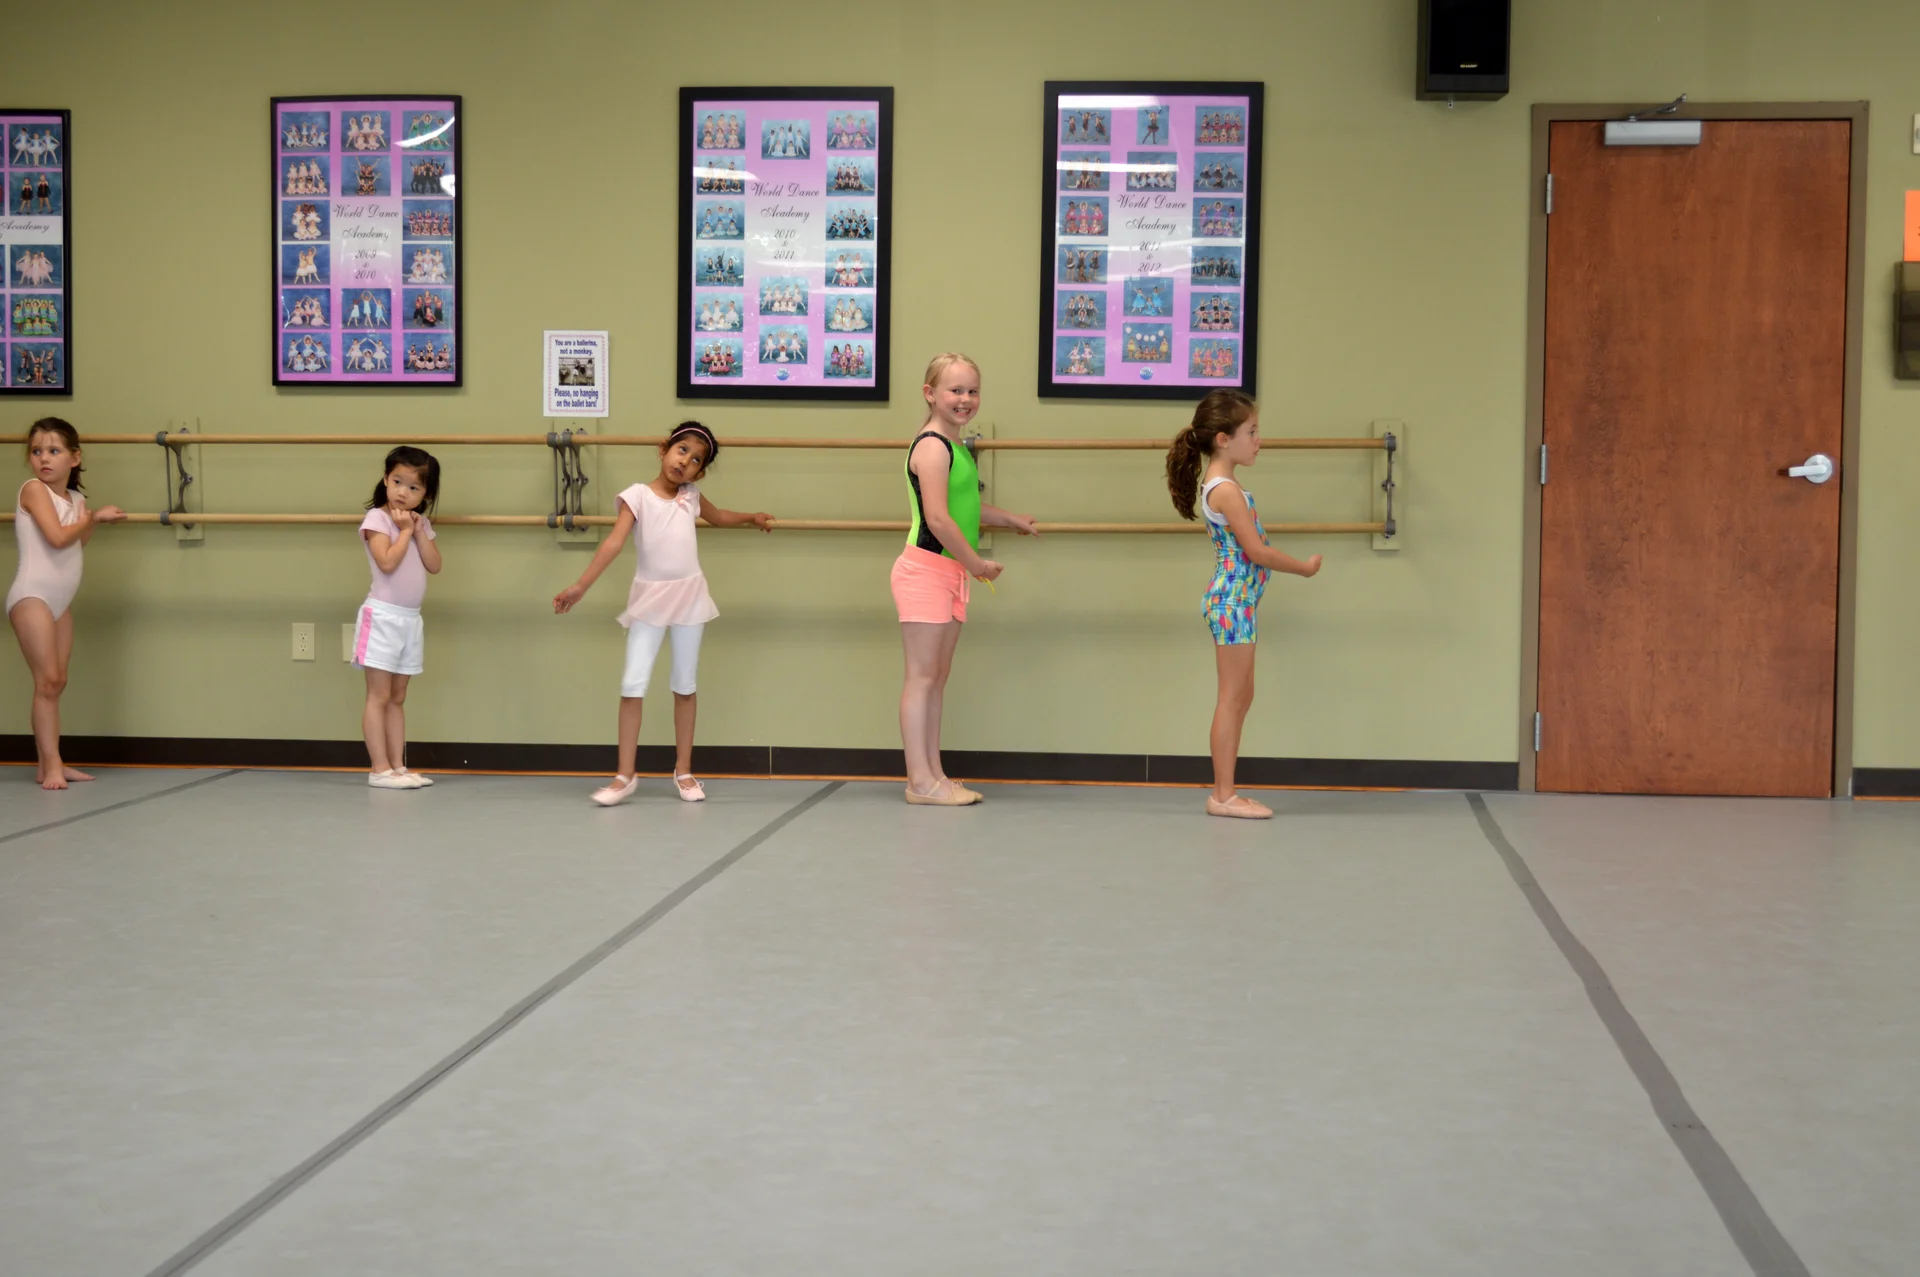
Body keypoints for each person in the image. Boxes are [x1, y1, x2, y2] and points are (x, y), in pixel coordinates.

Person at [552, 422, 773, 807]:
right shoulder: (637, 496)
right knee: (632, 684)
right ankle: (624, 775)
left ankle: (683, 771)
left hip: (689, 596)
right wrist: (581, 586)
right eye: (682, 450)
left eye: (696, 460)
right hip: (650, 599)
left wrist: (751, 517)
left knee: (684, 684)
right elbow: (613, 543)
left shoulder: (691, 496)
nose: (685, 461)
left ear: (698, 473)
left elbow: (719, 517)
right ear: (663, 449)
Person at [1165, 391, 1322, 819]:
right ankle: (1223, 796)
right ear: (1223, 439)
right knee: (1232, 698)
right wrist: (1304, 568)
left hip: (1239, 602)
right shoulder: (1226, 491)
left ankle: (1226, 792)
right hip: (1231, 603)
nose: (1258, 441)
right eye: (1251, 432)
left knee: (1241, 696)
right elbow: (1257, 551)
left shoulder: (1225, 486)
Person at [892, 354, 1039, 806]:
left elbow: (965, 509)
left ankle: (934, 774)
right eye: (955, 390)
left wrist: (1010, 518)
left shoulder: (955, 447)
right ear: (930, 393)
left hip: (947, 573)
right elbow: (937, 519)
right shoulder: (932, 446)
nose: (965, 399)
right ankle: (920, 781)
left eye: (972, 391)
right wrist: (976, 563)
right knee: (922, 677)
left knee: (936, 677)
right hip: (925, 571)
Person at [6, 419, 127, 790]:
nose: (44, 458)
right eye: (37, 451)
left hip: (60, 602)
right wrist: (94, 517)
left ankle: (48, 764)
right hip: (32, 596)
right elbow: (57, 538)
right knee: (47, 682)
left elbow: (76, 543)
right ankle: (53, 766)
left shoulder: (76, 500)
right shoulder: (33, 490)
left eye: (54, 451)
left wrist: (91, 521)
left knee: (57, 683)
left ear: (74, 458)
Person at [353, 446, 443, 789]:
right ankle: (379, 769)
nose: (403, 492)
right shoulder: (377, 519)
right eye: (397, 482)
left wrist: (417, 530)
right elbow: (387, 562)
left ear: (426, 495)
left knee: (398, 697)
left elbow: (434, 565)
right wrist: (404, 531)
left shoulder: (420, 524)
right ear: (386, 480)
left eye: (413, 487)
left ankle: (398, 766)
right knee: (378, 695)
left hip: (410, 620)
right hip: (382, 617)